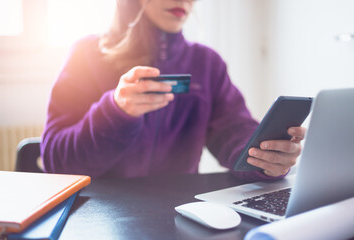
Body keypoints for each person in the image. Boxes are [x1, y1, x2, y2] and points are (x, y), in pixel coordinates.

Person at [41, 0, 305, 180]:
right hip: (99, 218)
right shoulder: (86, 55)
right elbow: (57, 162)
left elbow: (235, 134)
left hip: (181, 216)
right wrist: (115, 112)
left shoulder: (207, 64)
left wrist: (267, 157)